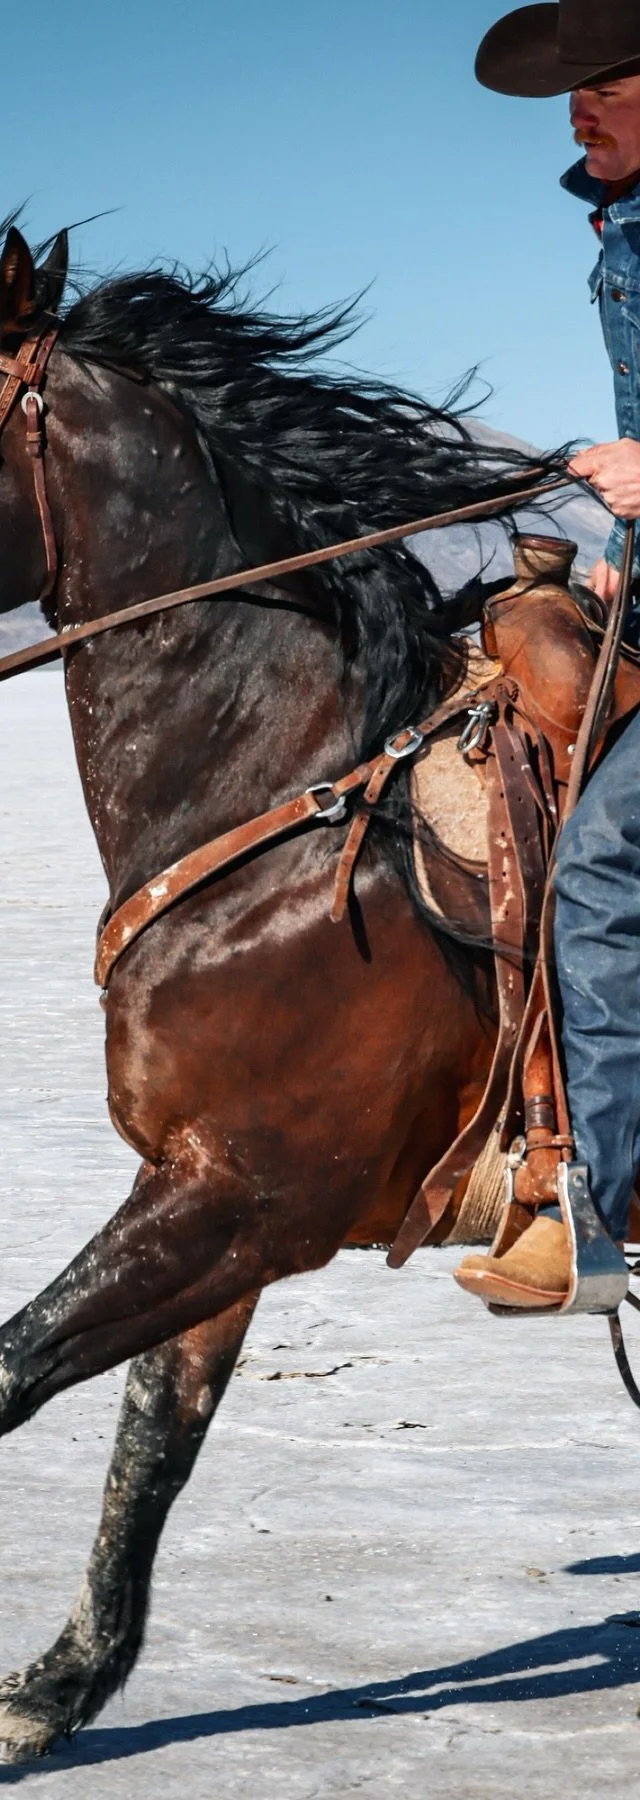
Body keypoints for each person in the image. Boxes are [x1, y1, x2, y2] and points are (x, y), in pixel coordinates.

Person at [456, 1, 640, 1308]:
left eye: (612, 85)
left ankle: (619, 1206)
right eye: (574, 93)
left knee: (606, 864)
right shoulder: (621, 230)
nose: (582, 108)